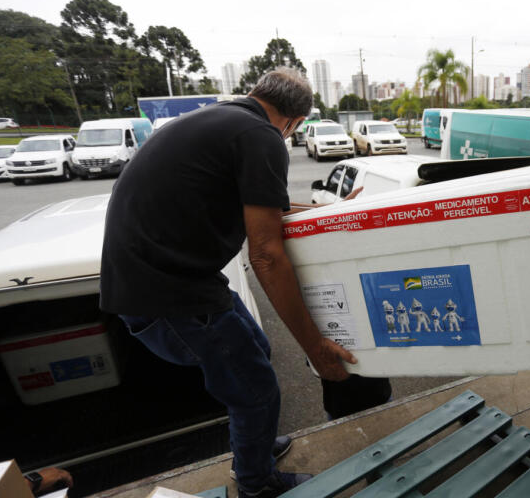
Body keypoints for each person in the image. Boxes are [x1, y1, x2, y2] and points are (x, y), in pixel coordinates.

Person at [100, 67, 356, 498]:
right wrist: (315, 347)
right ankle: (257, 484)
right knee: (256, 391)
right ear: (293, 122)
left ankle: (253, 445)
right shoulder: (261, 137)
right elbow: (266, 256)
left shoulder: (221, 121)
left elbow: (263, 205)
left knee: (257, 350)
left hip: (155, 280)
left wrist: (325, 211)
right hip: (169, 293)